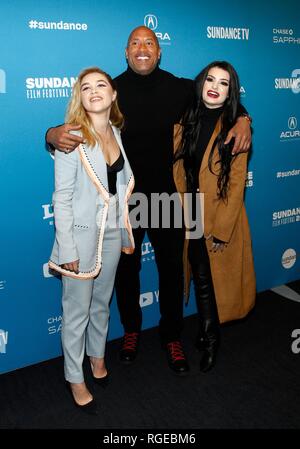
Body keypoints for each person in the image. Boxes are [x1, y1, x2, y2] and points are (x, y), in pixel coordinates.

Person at [46, 26, 252, 376]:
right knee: (127, 272)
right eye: (135, 44)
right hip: (123, 202)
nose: (142, 49)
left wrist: (245, 118)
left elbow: (220, 101)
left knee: (173, 270)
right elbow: (77, 122)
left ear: (159, 52)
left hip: (171, 198)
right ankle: (130, 331)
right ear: (126, 52)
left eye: (149, 43)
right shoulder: (110, 89)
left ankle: (172, 336)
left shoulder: (180, 87)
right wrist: (50, 135)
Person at [48, 67, 134, 413]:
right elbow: (62, 198)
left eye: (102, 85)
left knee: (102, 302)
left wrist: (126, 231)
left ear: (113, 95)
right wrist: (67, 248)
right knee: (76, 312)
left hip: (112, 232)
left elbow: (121, 191)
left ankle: (97, 357)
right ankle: (74, 376)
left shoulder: (115, 131)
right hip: (81, 239)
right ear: (80, 98)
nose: (94, 91)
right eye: (86, 87)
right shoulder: (72, 138)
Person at [173, 61, 256, 372]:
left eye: (224, 83)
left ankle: (211, 338)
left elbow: (237, 184)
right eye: (211, 79)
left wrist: (222, 229)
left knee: (210, 279)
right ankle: (207, 331)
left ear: (230, 91)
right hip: (190, 213)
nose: (215, 86)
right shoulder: (186, 119)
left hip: (219, 215)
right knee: (198, 275)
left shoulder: (236, 128)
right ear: (201, 82)